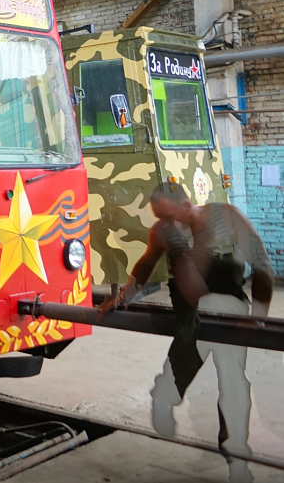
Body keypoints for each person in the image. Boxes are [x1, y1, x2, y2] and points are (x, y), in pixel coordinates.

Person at [101, 183, 274, 483]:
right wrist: (122, 298)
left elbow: (260, 262)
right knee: (186, 355)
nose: (166, 224)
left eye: (169, 216)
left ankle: (235, 454)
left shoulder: (227, 217)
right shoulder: (162, 232)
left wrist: (258, 318)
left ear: (187, 205)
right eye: (160, 218)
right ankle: (166, 392)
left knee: (232, 379)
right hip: (188, 308)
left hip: (229, 303)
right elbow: (145, 265)